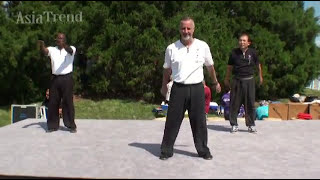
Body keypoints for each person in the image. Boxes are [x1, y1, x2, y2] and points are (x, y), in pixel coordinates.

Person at [159, 16, 221, 160]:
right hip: (178, 89)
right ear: (179, 30)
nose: (186, 31)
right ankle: (166, 150)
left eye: (188, 28)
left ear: (193, 29)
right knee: (172, 122)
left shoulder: (203, 46)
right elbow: (166, 70)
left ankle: (203, 150)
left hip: (197, 89)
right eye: (183, 28)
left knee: (199, 122)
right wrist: (163, 87)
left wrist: (215, 82)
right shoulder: (171, 48)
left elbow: (210, 67)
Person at [224, 32, 263, 133]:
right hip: (237, 80)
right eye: (240, 40)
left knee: (250, 103)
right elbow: (229, 67)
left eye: (244, 41)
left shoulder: (253, 53)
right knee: (234, 103)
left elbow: (258, 65)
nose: (242, 42)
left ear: (248, 43)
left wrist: (260, 77)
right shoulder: (234, 53)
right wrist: (227, 79)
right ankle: (234, 124)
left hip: (249, 80)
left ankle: (251, 124)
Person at [38, 33, 77, 133]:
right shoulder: (52, 49)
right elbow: (45, 51)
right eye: (58, 38)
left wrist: (63, 45)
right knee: (53, 102)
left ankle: (71, 125)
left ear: (65, 40)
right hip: (55, 79)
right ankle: (52, 125)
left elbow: (70, 51)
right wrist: (42, 46)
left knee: (68, 101)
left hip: (67, 78)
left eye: (62, 38)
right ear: (56, 40)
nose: (60, 40)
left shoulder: (71, 48)